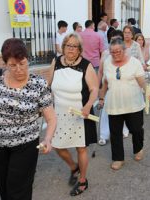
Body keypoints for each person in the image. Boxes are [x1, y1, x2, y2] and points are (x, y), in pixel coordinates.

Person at [0, 38, 57, 200]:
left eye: (22, 63)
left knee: (18, 192)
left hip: (25, 146)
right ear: (5, 63)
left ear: (27, 59)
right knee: (4, 189)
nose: (18, 69)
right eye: (12, 65)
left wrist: (48, 139)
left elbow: (51, 118)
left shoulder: (39, 84)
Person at [49, 33, 98, 196]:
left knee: (81, 148)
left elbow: (94, 89)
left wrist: (88, 105)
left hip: (80, 112)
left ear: (79, 49)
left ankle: (83, 180)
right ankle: (73, 167)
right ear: (63, 47)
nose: (71, 49)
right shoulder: (56, 62)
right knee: (56, 145)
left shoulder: (86, 65)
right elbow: (48, 86)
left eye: (74, 46)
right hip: (59, 113)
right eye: (68, 45)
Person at [99, 38, 150, 170]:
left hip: (133, 103)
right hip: (114, 104)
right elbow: (105, 82)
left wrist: (147, 92)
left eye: (118, 51)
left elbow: (141, 81)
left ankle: (138, 148)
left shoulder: (134, 63)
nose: (115, 54)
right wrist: (101, 97)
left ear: (124, 50)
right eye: (112, 52)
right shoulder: (107, 62)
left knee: (136, 129)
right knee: (115, 132)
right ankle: (118, 158)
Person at [98, 30, 130, 146]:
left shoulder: (126, 53)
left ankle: (122, 129)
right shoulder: (105, 54)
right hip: (108, 87)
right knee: (106, 111)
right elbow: (101, 71)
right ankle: (104, 135)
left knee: (122, 110)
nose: (115, 42)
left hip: (123, 88)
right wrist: (98, 87)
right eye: (112, 40)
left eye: (118, 39)